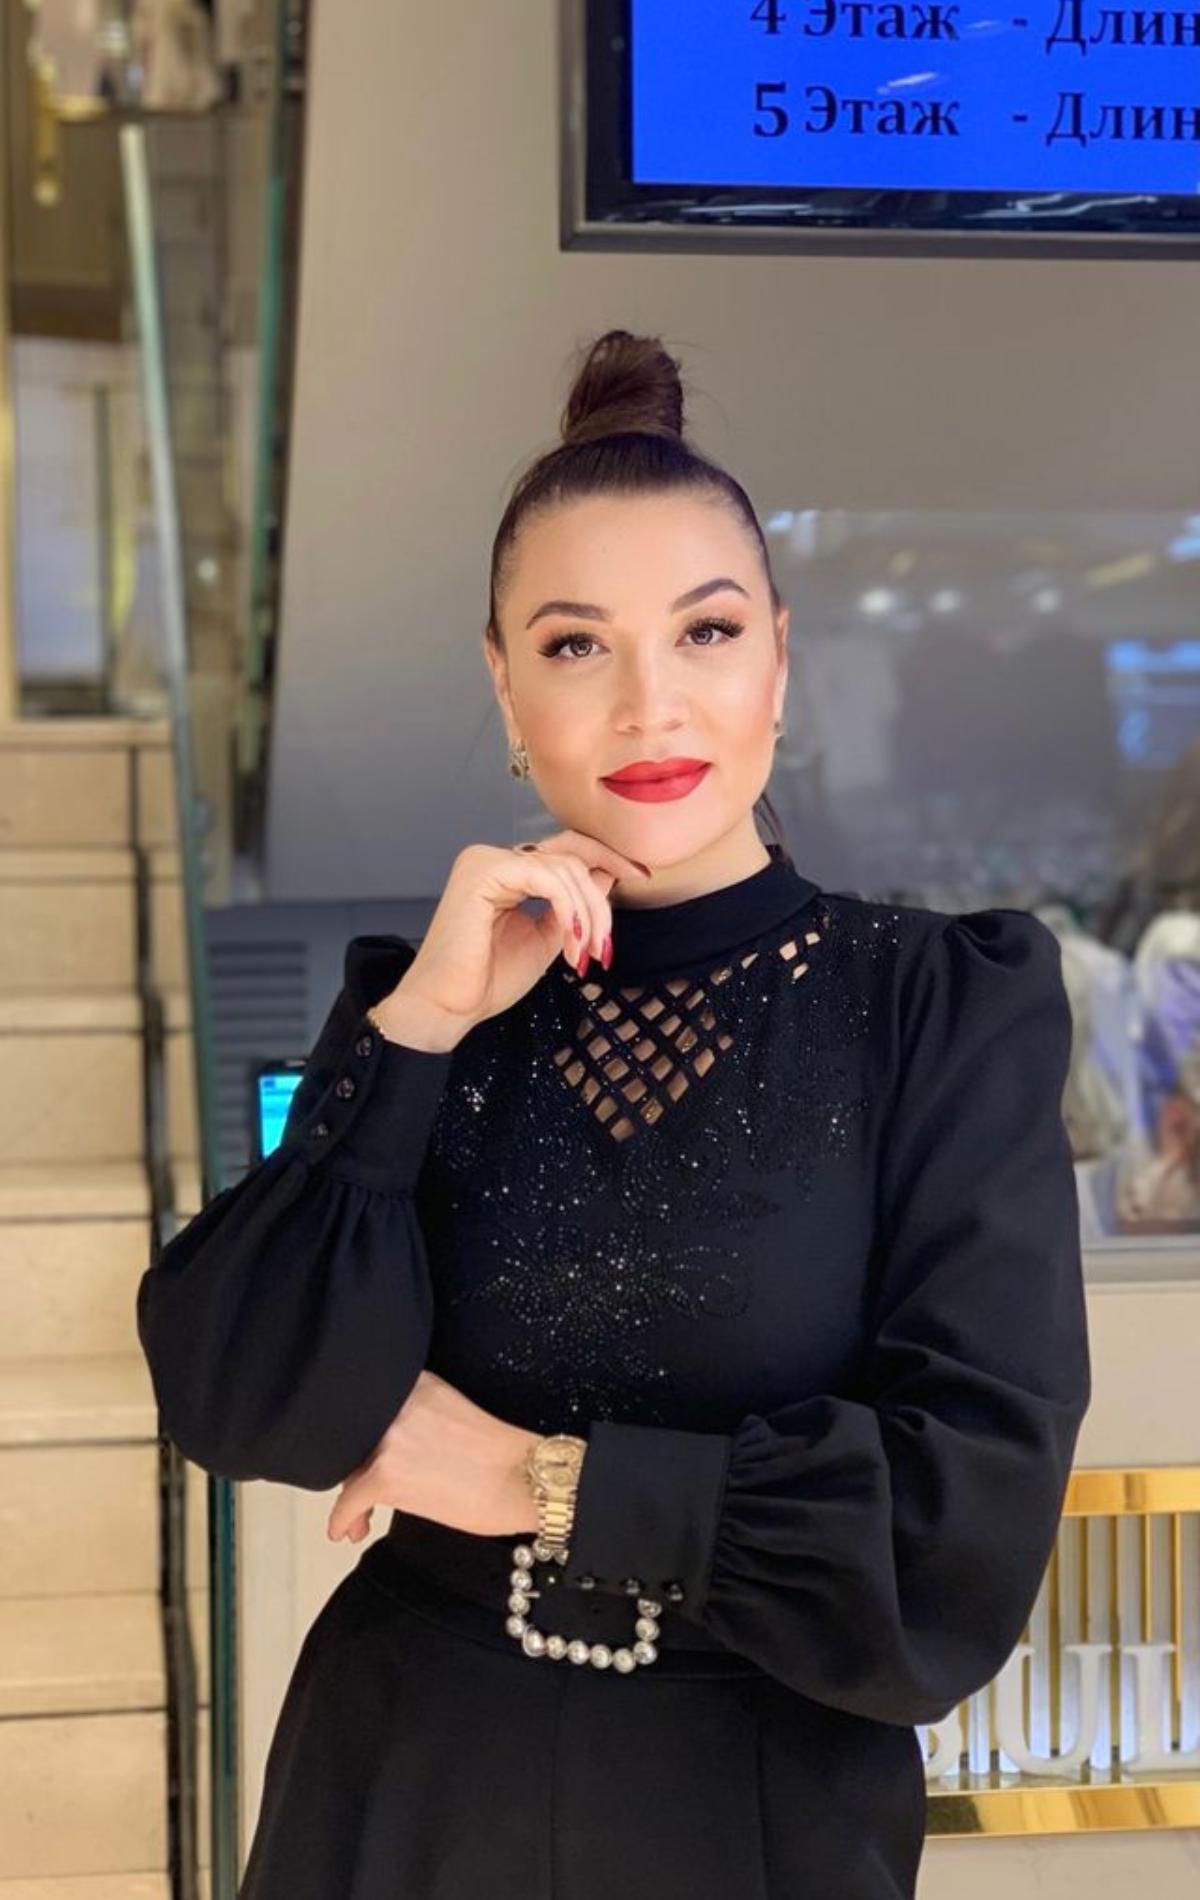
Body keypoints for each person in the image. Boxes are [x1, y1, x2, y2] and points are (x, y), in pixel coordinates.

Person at [135, 328, 1093, 1900]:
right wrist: (420, 1028)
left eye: (705, 631)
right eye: (577, 645)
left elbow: (956, 1535)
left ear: (778, 661)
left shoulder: (935, 1006)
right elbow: (238, 1402)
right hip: (401, 1793)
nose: (653, 705)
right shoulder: (432, 1007)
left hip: (755, 1809)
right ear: (503, 684)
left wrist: (535, 1481)